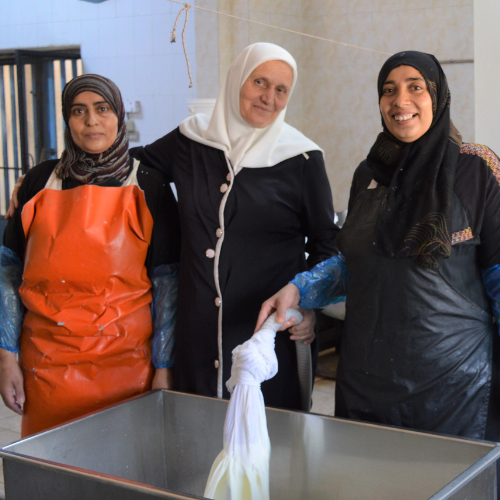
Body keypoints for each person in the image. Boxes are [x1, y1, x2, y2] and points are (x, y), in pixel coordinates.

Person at [257, 50, 500, 441]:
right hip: (367, 383)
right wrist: (299, 289)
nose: (400, 101)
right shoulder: (369, 173)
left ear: (438, 96)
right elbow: (353, 263)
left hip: (454, 392)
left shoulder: (476, 169)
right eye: (389, 90)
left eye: (415, 87)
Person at [130, 42, 339, 410]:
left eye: (281, 90)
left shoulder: (302, 157)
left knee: (267, 449)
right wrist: (42, 176)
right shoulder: (191, 140)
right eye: (259, 82)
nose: (268, 97)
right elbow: (129, 166)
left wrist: (308, 307)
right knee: (198, 445)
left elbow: (327, 246)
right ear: (236, 81)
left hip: (265, 338)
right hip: (197, 337)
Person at [0, 74, 181, 437]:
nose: (91, 121)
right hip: (48, 368)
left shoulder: (150, 185)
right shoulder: (37, 182)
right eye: (78, 111)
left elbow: (167, 286)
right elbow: (8, 273)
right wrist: (6, 357)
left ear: (119, 116)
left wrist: (164, 367)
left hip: (128, 367)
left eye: (102, 109)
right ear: (67, 120)